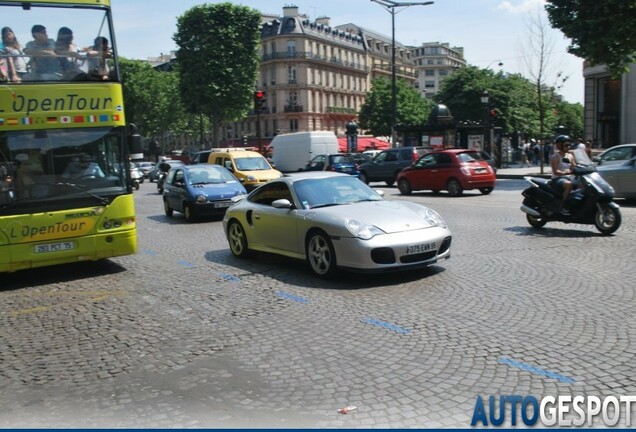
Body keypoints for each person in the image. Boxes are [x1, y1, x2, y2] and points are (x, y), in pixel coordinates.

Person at [551, 135, 576, 215]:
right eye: (566, 145)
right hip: (558, 179)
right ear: (559, 145)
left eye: (569, 145)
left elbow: (574, 166)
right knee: (569, 185)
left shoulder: (570, 156)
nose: (568, 147)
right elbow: (555, 171)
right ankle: (564, 206)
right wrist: (565, 172)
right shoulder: (555, 157)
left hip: (568, 177)